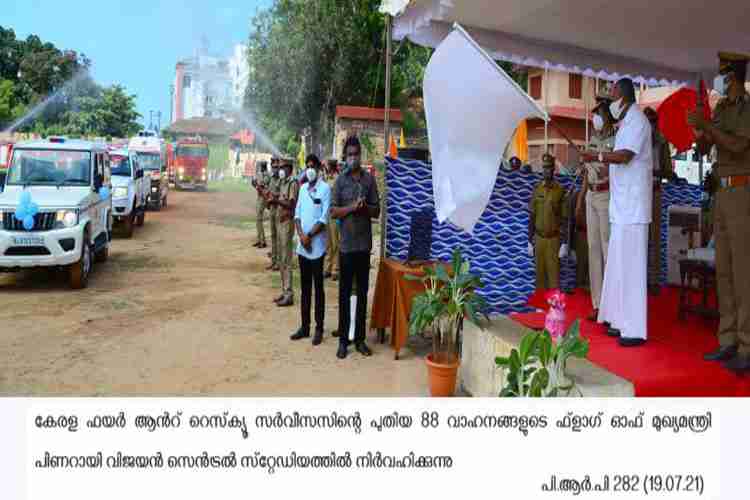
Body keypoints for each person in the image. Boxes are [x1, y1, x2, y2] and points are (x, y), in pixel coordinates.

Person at [688, 52, 750, 373]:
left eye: (723, 75)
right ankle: (727, 340)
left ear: (733, 76)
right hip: (722, 192)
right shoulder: (722, 108)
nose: (719, 81)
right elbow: (706, 146)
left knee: (743, 271)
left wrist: (708, 130)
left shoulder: (746, 108)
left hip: (742, 191)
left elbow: (739, 146)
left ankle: (746, 344)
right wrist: (699, 130)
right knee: (724, 269)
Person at [581, 78, 653, 347]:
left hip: (633, 208)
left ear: (622, 97)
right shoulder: (625, 124)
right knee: (618, 266)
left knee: (632, 269)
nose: (610, 104)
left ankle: (634, 328)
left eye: (612, 97)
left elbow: (624, 156)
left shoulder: (638, 122)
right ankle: (618, 320)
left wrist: (596, 157)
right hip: (621, 207)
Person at [331, 136, 380, 359]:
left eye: (356, 154)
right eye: (350, 154)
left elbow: (376, 211)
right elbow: (333, 211)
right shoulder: (340, 182)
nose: (353, 158)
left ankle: (359, 339)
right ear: (345, 157)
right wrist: (352, 207)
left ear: (361, 155)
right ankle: (343, 340)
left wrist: (365, 209)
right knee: (344, 293)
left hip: (363, 246)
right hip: (346, 247)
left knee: (361, 293)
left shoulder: (369, 180)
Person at [581, 94, 615, 321]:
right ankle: (597, 303)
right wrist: (580, 199)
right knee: (593, 249)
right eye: (596, 113)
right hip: (591, 195)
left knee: (606, 250)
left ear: (609, 115)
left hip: (606, 195)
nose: (597, 117)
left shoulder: (618, 139)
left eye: (600, 113)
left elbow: (622, 168)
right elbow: (586, 171)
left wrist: (609, 172)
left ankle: (611, 305)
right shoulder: (592, 139)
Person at [291, 155, 331, 345]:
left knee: (318, 289)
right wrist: (301, 235)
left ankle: (319, 328)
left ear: (319, 168)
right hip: (303, 247)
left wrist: (309, 236)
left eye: (313, 166)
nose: (310, 169)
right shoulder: (303, 189)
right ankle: (304, 327)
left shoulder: (325, 189)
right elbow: (297, 214)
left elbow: (323, 219)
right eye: (307, 167)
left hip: (317, 248)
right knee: (305, 289)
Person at [644, 107, 673, 296]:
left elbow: (669, 172)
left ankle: (653, 280)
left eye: (653, 122)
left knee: (654, 238)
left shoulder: (662, 142)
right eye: (649, 122)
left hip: (654, 190)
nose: (651, 126)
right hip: (639, 192)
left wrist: (652, 172)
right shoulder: (638, 141)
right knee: (640, 237)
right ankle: (640, 279)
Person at [527, 153, 567, 290]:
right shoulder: (537, 189)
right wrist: (529, 241)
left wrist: (565, 243)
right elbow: (532, 215)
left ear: (553, 169)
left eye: (549, 167)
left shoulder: (560, 191)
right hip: (539, 239)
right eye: (544, 168)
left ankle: (554, 309)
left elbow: (565, 219)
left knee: (554, 277)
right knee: (539, 276)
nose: (546, 170)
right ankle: (540, 307)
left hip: (553, 239)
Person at [275, 160, 298, 307]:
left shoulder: (292, 183)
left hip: (287, 222)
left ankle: (289, 293)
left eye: (283, 167)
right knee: (281, 259)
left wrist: (277, 200)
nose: (281, 169)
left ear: (289, 168)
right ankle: (284, 292)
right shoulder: (283, 182)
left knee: (286, 259)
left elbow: (291, 204)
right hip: (280, 221)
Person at [324, 159, 341, 280]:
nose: (326, 167)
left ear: (332, 167)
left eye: (327, 166)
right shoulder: (327, 178)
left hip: (335, 213)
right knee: (328, 242)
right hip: (327, 213)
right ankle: (328, 267)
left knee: (335, 242)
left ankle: (336, 269)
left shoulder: (338, 179)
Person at [265, 158, 281, 271]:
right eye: (273, 167)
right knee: (273, 236)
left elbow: (280, 195)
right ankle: (274, 260)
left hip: (279, 210)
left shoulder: (281, 180)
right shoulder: (270, 179)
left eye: (276, 167)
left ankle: (279, 262)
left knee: (279, 237)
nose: (274, 169)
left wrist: (273, 197)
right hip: (272, 210)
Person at [252, 160, 269, 248]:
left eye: (260, 166)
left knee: (259, 219)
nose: (259, 167)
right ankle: (259, 240)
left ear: (263, 166)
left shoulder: (266, 175)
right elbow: (256, 184)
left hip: (263, 197)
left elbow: (261, 186)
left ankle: (262, 241)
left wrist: (256, 184)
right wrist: (255, 184)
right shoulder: (261, 174)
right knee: (258, 220)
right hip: (260, 196)